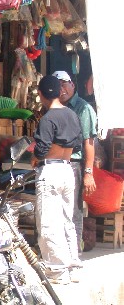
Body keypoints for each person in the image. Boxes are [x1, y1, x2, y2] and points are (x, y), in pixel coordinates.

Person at [31, 75, 82, 285]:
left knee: (48, 224)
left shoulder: (48, 118)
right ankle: (73, 266)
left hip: (50, 172)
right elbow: (77, 145)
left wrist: (34, 158)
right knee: (66, 220)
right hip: (67, 170)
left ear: (41, 94)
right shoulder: (71, 115)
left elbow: (41, 149)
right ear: (59, 92)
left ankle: (57, 271)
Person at [53, 70, 97, 254]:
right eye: (57, 86)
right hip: (55, 163)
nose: (62, 89)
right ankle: (58, 252)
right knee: (56, 210)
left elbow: (89, 142)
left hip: (73, 165)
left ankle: (73, 253)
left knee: (73, 211)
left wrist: (88, 172)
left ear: (72, 85)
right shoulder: (54, 107)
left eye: (65, 84)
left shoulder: (83, 108)